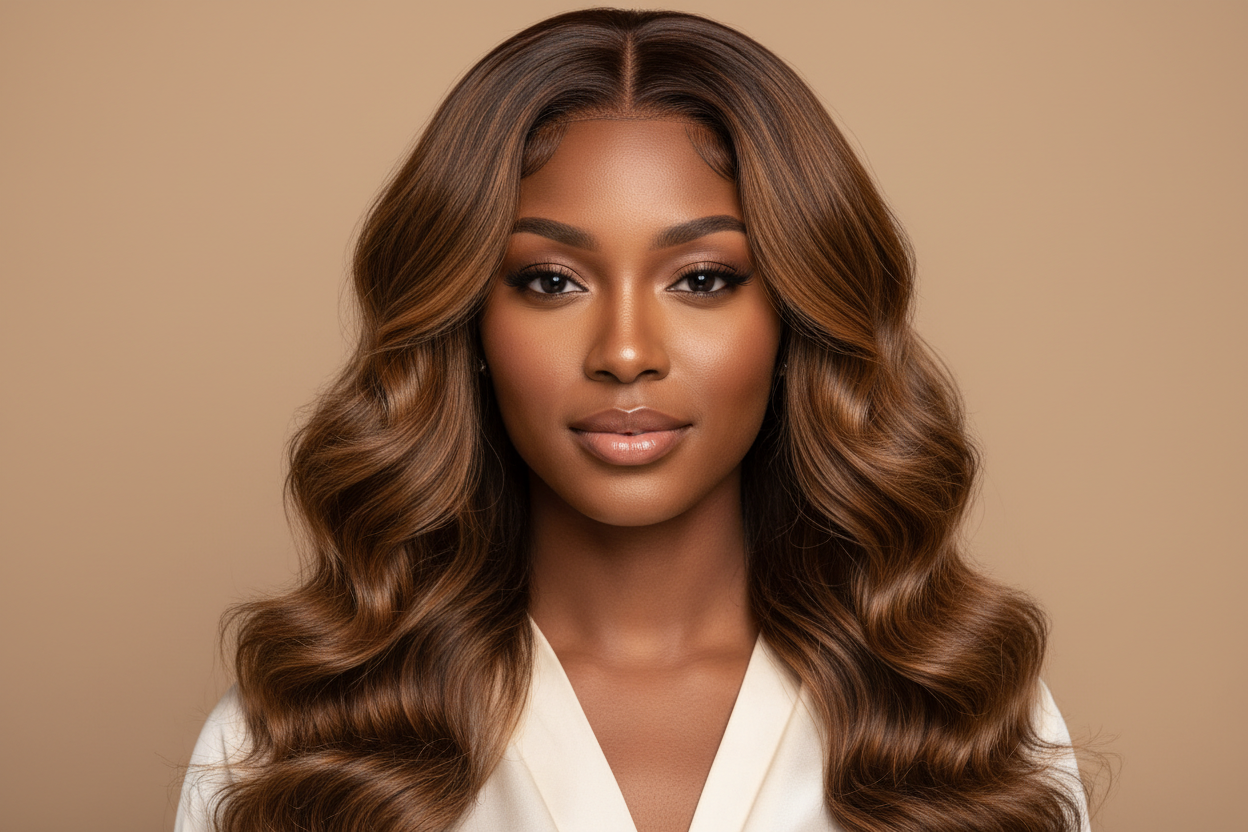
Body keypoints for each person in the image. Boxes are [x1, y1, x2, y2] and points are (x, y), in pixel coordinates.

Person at [176, 8, 1089, 832]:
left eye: (702, 279)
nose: (624, 351)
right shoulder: (291, 746)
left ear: (794, 319)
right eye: (550, 281)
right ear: (471, 323)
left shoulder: (971, 729)